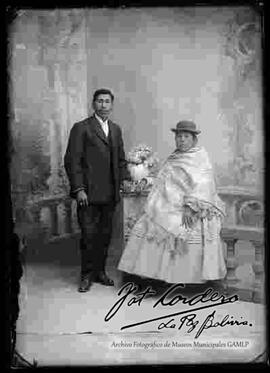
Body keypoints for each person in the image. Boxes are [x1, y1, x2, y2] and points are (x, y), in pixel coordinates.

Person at [118, 120, 227, 284]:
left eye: (186, 136)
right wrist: (146, 181)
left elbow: (205, 184)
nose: (182, 140)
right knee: (149, 221)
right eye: (179, 136)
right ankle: (152, 276)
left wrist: (191, 207)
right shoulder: (174, 156)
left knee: (181, 224)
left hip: (191, 203)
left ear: (193, 139)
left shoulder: (200, 158)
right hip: (168, 200)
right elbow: (163, 180)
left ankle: (185, 279)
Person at [64, 88, 130, 292]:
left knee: (105, 235)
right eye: (99, 101)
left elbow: (120, 160)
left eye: (107, 101)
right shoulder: (81, 128)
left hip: (110, 194)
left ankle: (100, 272)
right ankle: (86, 275)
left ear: (112, 105)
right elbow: (72, 161)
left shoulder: (116, 129)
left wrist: (126, 181)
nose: (103, 105)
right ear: (93, 104)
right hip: (88, 194)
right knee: (88, 235)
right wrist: (79, 189)